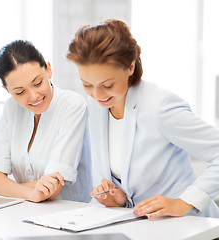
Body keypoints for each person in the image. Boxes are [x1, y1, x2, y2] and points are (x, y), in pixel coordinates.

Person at [66, 19, 219, 218]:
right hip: (141, 226)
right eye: (87, 84)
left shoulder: (160, 106)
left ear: (130, 67)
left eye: (108, 84)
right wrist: (120, 199)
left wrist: (185, 202)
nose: (97, 94)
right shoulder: (95, 106)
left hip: (189, 226)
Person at [0, 40, 92, 203]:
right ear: (7, 90)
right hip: (26, 210)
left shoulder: (71, 105)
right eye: (20, 92)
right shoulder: (11, 108)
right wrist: (30, 194)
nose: (34, 96)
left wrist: (9, 187)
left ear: (48, 69)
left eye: (38, 83)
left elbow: (52, 187)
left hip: (70, 214)